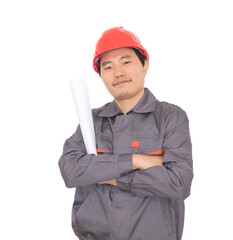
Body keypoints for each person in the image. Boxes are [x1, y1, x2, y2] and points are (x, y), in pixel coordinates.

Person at [59, 26, 193, 240]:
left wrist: (105, 174)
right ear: (101, 75)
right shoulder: (91, 120)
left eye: (126, 62)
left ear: (145, 65)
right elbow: (70, 171)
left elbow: (178, 182)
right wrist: (137, 160)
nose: (118, 72)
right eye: (108, 66)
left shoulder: (171, 117)